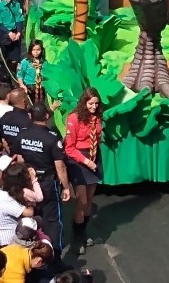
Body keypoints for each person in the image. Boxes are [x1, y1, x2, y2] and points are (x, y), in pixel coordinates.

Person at [16, 103, 71, 258]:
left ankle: (34, 252)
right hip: (47, 183)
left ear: (30, 116)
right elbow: (60, 167)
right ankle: (54, 255)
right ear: (47, 117)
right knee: (53, 220)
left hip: (28, 182)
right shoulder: (51, 139)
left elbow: (20, 159)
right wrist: (66, 187)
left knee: (32, 216)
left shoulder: (22, 135)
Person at [64, 88, 102, 255]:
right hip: (80, 160)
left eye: (96, 103)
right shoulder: (74, 118)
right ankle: (76, 237)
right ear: (83, 103)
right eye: (90, 103)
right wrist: (86, 161)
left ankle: (83, 231)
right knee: (82, 200)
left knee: (90, 198)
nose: (94, 106)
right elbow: (69, 148)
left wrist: (94, 159)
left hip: (94, 157)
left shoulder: (97, 117)